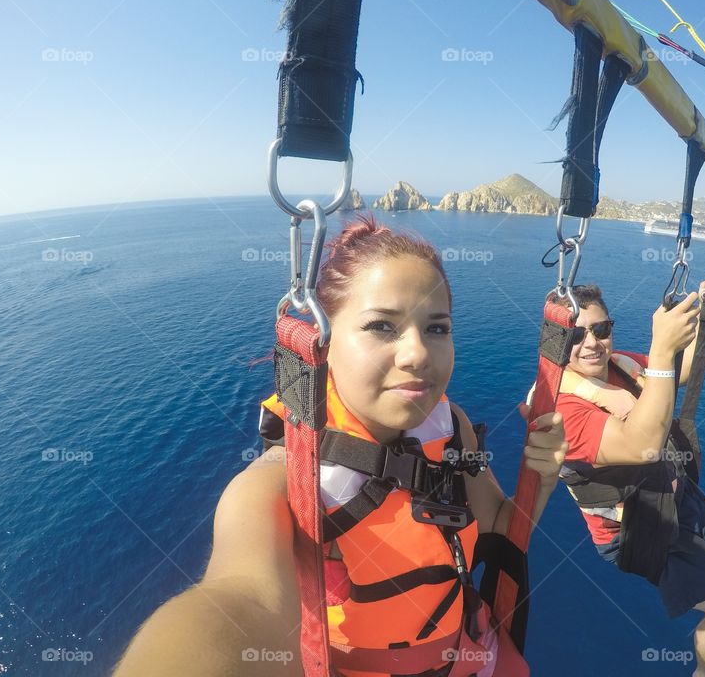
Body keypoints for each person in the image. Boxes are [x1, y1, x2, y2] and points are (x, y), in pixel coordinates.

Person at [114, 214, 567, 677]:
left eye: (437, 328)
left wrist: (543, 477)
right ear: (322, 343)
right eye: (381, 326)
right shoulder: (281, 482)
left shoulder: (452, 428)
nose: (417, 354)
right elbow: (243, 602)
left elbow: (500, 525)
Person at [549, 276, 705, 677]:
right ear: (556, 340)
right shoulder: (563, 409)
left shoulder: (618, 365)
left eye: (601, 329)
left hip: (675, 497)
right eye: (575, 334)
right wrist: (662, 349)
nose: (591, 343)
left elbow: (677, 372)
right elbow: (642, 446)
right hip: (636, 526)